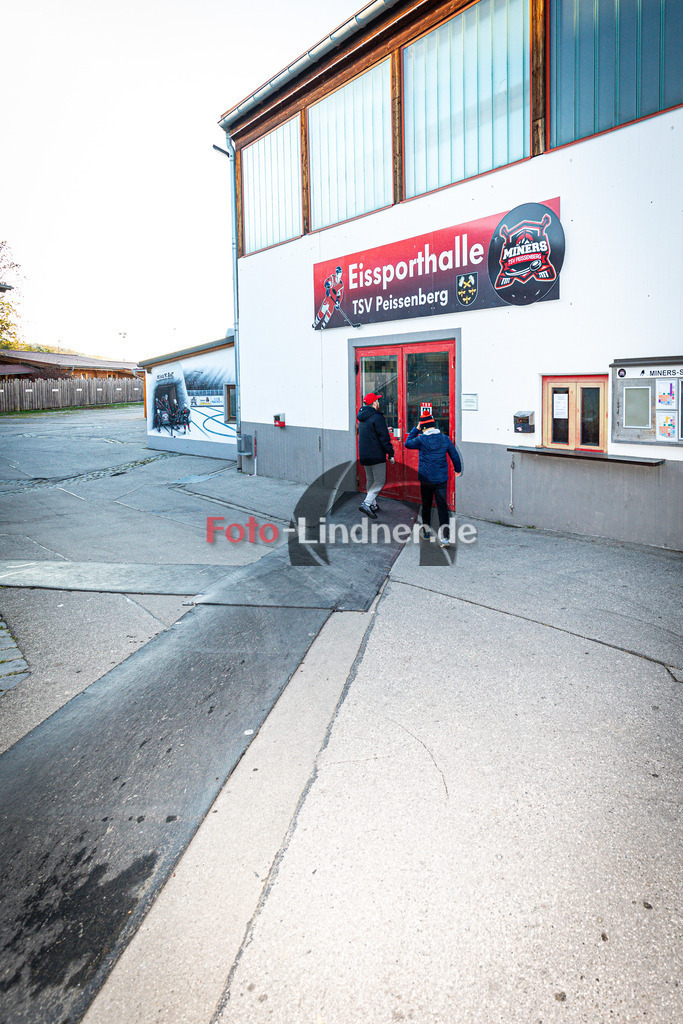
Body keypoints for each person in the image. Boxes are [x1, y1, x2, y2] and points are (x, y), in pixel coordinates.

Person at [405, 411, 462, 546]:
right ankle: (445, 538)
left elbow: (407, 443)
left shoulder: (421, 439)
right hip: (441, 479)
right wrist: (458, 470)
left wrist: (416, 429)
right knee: (443, 508)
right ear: (434, 424)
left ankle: (425, 532)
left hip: (426, 479)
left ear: (423, 427)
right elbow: (454, 456)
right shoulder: (444, 438)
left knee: (426, 505)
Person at [357, 392, 395, 519]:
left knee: (371, 480)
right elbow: (383, 438)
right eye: (377, 401)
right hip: (376, 455)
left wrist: (384, 428)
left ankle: (372, 504)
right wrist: (390, 453)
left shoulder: (362, 417)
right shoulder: (377, 416)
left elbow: (372, 431)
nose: (378, 403)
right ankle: (367, 504)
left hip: (364, 454)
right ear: (374, 403)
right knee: (379, 481)